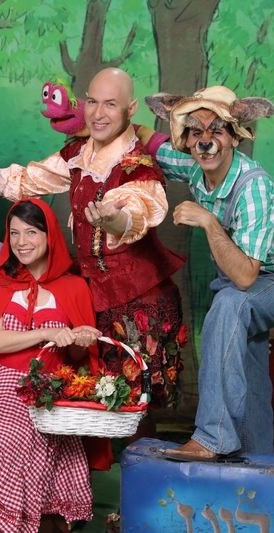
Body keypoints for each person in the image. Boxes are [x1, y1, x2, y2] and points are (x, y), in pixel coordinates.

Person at [0, 68, 186, 424]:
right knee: (94, 398)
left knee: (137, 403)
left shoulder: (138, 165)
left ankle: (140, 456)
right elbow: (25, 181)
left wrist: (113, 220)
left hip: (139, 300)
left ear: (131, 109)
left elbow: (139, 212)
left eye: (110, 104)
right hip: (93, 296)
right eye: (92, 101)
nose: (98, 113)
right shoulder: (78, 153)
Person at [0, 198, 113, 533]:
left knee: (10, 437)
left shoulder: (74, 287)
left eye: (31, 232)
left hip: (47, 387)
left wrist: (80, 341)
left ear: (49, 236)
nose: (21, 242)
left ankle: (9, 520)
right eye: (14, 233)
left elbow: (79, 362)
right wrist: (45, 332)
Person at [144, 85, 274, 460]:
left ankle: (211, 438)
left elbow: (246, 277)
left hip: (261, 279)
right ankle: (261, 460)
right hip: (241, 283)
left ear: (234, 136)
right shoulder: (193, 165)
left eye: (217, 130)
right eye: (196, 131)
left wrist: (208, 221)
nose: (205, 141)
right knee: (246, 360)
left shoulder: (253, 185)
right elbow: (147, 141)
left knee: (229, 305)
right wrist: (95, 120)